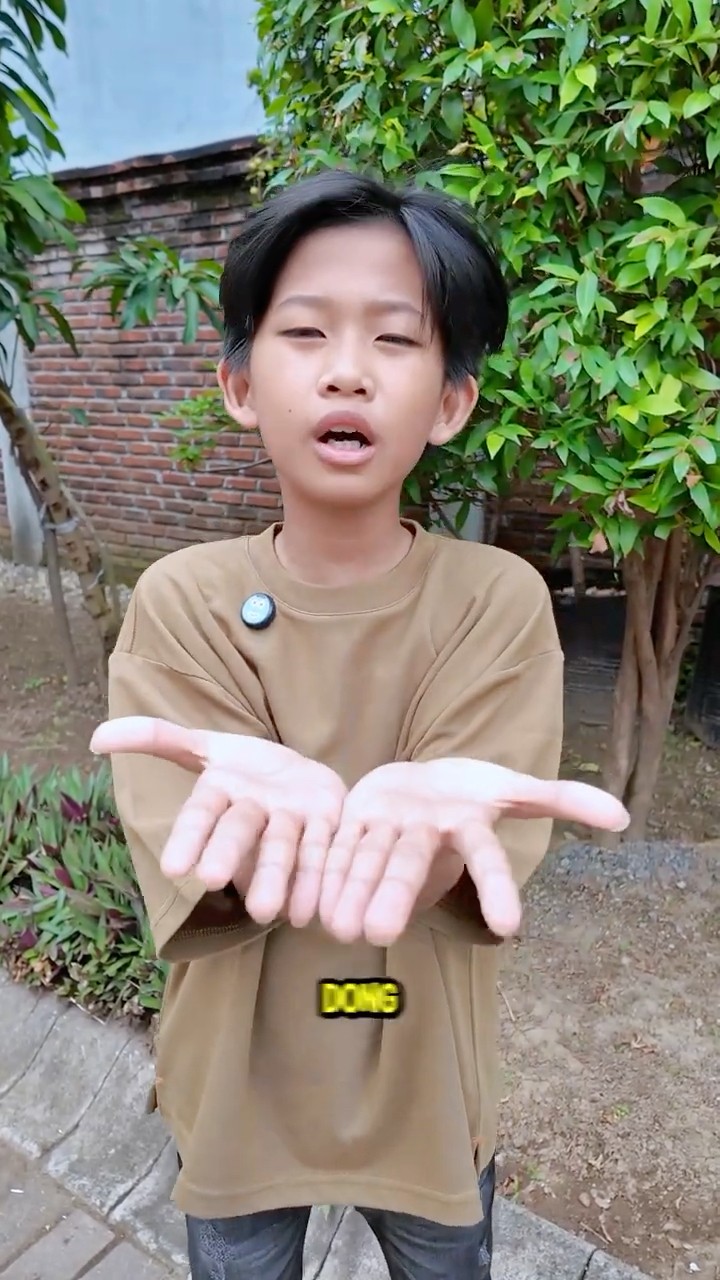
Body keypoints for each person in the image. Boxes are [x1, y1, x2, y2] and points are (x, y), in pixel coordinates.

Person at [90, 170, 628, 1280]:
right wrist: (286, 825)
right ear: (241, 383)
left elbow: (451, 862)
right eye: (305, 332)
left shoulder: (493, 598)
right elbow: (203, 867)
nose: (347, 369)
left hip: (428, 1087)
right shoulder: (183, 600)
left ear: (451, 402)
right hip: (236, 1090)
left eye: (395, 337)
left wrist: (415, 829)